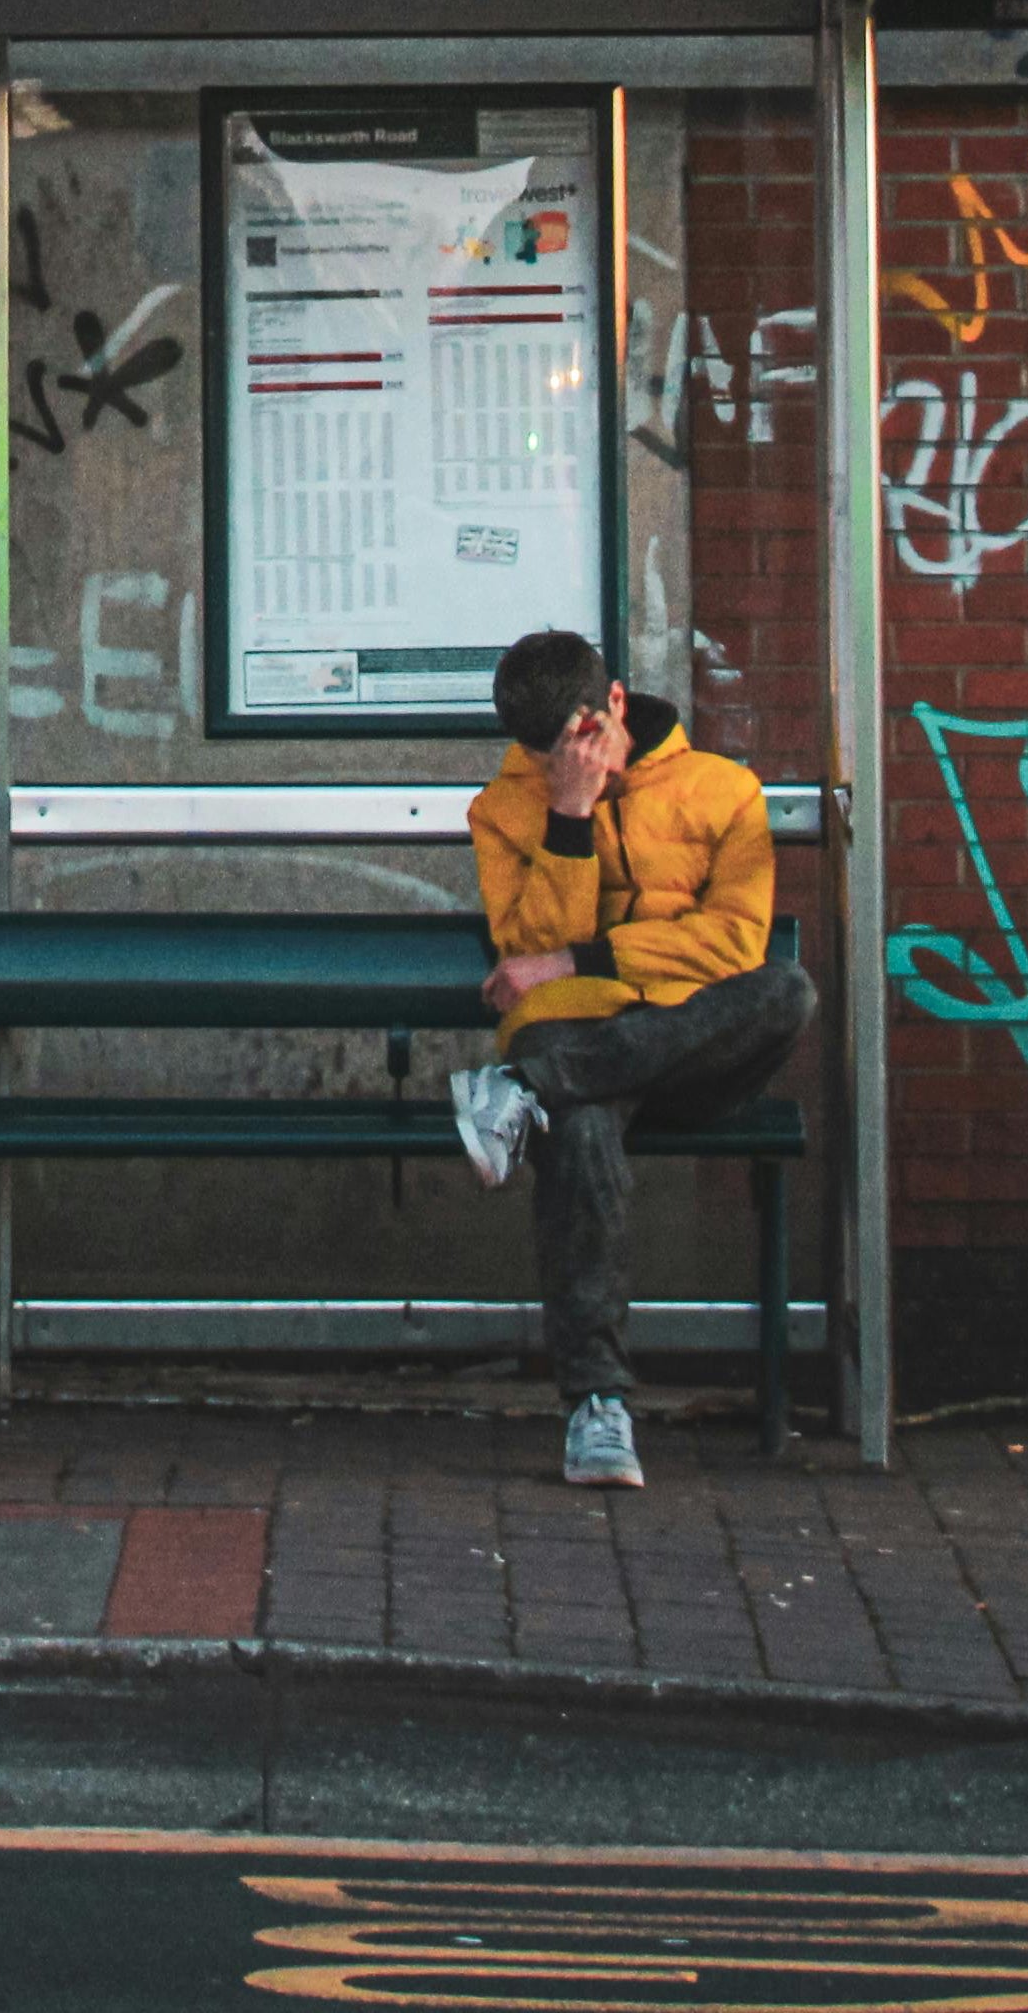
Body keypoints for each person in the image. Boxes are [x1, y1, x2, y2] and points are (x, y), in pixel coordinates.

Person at [448, 627, 817, 1491]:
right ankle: (597, 1409)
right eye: (544, 757)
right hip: (573, 1035)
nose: (564, 764)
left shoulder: (723, 790)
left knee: (786, 989)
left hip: (685, 1045)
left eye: (580, 744)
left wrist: (584, 963)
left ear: (615, 703)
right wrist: (568, 814)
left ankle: (518, 1091)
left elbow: (733, 945)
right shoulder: (504, 809)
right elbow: (525, 944)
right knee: (577, 1129)